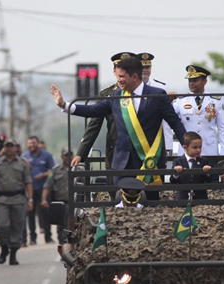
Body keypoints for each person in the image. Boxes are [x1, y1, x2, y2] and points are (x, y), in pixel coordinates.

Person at [50, 56, 186, 192]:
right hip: (122, 163)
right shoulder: (117, 95)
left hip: (150, 161)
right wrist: (64, 105)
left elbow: (174, 122)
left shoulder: (157, 95)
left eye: (122, 76)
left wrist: (187, 147)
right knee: (120, 205)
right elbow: (93, 110)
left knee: (150, 207)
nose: (119, 80)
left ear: (134, 77)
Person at [76, 52, 135, 171]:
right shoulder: (107, 94)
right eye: (120, 68)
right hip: (115, 151)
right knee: (113, 187)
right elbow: (94, 125)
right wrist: (81, 153)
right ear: (115, 71)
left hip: (140, 151)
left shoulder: (143, 93)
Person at [0, 138, 33, 265]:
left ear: (15, 148)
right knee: (2, 225)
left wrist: (30, 199)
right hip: (2, 199)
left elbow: (28, 181)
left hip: (18, 198)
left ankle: (13, 254)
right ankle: (4, 248)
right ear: (4, 148)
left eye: (11, 146)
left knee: (17, 226)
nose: (9, 148)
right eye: (7, 146)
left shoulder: (22, 163)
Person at [173, 65, 224, 160]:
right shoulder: (180, 101)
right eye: (190, 81)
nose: (192, 83)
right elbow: (170, 119)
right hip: (187, 152)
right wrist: (169, 101)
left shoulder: (215, 101)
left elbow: (222, 129)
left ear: (204, 81)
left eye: (195, 80)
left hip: (209, 150)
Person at [137, 52, 175, 156]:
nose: (145, 70)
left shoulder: (160, 87)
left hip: (157, 140)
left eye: (148, 67)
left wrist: (168, 145)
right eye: (142, 67)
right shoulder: (131, 87)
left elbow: (166, 120)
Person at [21, 136, 55, 244]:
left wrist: (43, 175)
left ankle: (48, 237)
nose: (31, 145)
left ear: (37, 143)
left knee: (45, 212)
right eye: (29, 143)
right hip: (30, 189)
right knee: (30, 214)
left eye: (33, 143)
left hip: (43, 188)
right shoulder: (24, 157)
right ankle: (32, 238)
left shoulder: (47, 155)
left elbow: (53, 171)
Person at [170, 131, 212, 200]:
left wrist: (207, 172)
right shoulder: (178, 161)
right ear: (185, 147)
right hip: (183, 199)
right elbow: (172, 181)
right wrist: (176, 173)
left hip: (201, 199)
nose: (198, 150)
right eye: (195, 147)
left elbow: (209, 180)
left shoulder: (204, 161)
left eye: (200, 147)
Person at [41, 148, 71, 243]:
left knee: (74, 226)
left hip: (74, 203)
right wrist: (44, 199)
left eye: (70, 155)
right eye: (66, 155)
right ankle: (63, 247)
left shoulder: (77, 169)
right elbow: (47, 185)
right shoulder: (55, 171)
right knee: (61, 227)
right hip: (60, 203)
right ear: (62, 157)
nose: (68, 157)